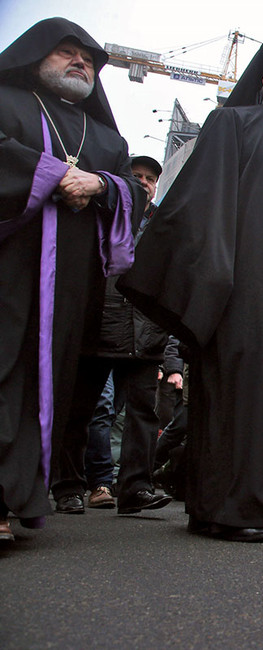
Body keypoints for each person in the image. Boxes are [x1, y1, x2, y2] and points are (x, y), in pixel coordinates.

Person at [118, 35, 263, 542]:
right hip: (243, 298)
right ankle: (227, 508)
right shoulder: (232, 124)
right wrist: (211, 288)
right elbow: (198, 207)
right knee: (242, 398)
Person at [0, 18, 141, 543]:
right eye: (65, 52)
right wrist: (51, 173)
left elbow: (132, 190)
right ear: (35, 55)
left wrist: (100, 183)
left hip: (70, 287)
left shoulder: (106, 136)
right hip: (11, 269)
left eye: (87, 58)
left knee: (49, 386)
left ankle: (20, 498)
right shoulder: (7, 101)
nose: (79, 62)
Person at [50, 154, 172, 516]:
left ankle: (135, 487)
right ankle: (69, 487)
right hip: (97, 327)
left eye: (151, 178)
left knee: (142, 414)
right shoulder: (101, 214)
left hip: (146, 334)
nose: (145, 183)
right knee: (82, 412)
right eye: (137, 176)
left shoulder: (164, 224)